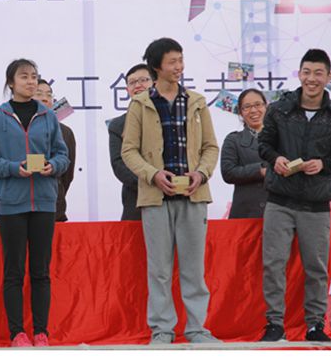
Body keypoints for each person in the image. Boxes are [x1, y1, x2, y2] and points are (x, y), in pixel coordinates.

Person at [121, 38, 219, 344]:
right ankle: (162, 330)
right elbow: (129, 151)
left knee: (193, 269)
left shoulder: (196, 102)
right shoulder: (140, 104)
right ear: (156, 67)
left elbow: (211, 147)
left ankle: (197, 329)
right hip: (156, 198)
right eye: (172, 61)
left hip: (193, 196)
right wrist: (153, 175)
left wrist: (201, 174)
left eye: (181, 60)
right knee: (159, 271)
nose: (179, 67)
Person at [258, 49, 331, 343]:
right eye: (307, 72)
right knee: (273, 264)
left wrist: (324, 164)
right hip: (279, 200)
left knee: (316, 268)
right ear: (299, 74)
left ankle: (315, 325)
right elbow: (264, 144)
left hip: (316, 205)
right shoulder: (279, 109)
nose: (312, 79)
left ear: (329, 77)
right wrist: (276, 159)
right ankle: (274, 324)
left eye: (318, 73)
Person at [0, 58, 69, 347]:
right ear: (11, 82)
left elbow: (63, 156)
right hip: (11, 205)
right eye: (24, 76)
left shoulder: (48, 116)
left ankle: (41, 332)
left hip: (44, 204)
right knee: (14, 272)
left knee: (41, 272)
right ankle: (17, 333)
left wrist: (53, 166)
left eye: (34, 76)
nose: (31, 81)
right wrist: (12, 168)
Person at [107, 64, 152, 221]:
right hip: (135, 199)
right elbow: (119, 164)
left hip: (171, 197)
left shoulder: (171, 118)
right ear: (127, 89)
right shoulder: (117, 125)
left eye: (143, 80)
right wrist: (151, 183)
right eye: (132, 82)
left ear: (155, 83)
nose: (138, 85)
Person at [220, 88, 268, 218]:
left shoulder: (282, 137)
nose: (253, 110)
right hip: (246, 212)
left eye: (258, 105)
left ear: (266, 106)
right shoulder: (233, 139)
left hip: (278, 213)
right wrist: (260, 170)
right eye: (247, 107)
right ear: (240, 112)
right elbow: (228, 172)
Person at [33, 79, 76, 222]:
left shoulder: (65, 132)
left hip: (54, 209)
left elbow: (67, 175)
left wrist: (57, 192)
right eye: (39, 93)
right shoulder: (11, 127)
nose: (45, 98)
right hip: (18, 208)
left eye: (49, 95)